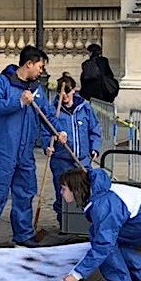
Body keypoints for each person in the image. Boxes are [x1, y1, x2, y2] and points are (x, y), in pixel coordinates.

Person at [0, 45, 67, 248]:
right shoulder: (3, 83)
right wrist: (18, 102)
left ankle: (23, 234)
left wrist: (59, 131)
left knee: (25, 191)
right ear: (29, 64)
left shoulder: (37, 90)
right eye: (40, 67)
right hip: (4, 149)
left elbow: (48, 115)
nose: (41, 71)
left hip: (25, 151)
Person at [59, 168, 141, 281]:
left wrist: (77, 274)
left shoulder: (104, 205)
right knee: (109, 239)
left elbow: (103, 245)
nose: (61, 193)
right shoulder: (98, 192)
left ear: (75, 189)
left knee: (103, 240)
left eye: (64, 189)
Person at [40, 72, 101, 225]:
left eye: (67, 91)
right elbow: (44, 132)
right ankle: (64, 223)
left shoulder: (85, 109)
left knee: (83, 191)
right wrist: (48, 145)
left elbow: (94, 129)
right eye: (60, 92)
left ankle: (82, 224)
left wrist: (94, 148)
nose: (64, 95)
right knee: (62, 192)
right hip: (61, 160)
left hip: (81, 159)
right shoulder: (54, 112)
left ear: (73, 90)